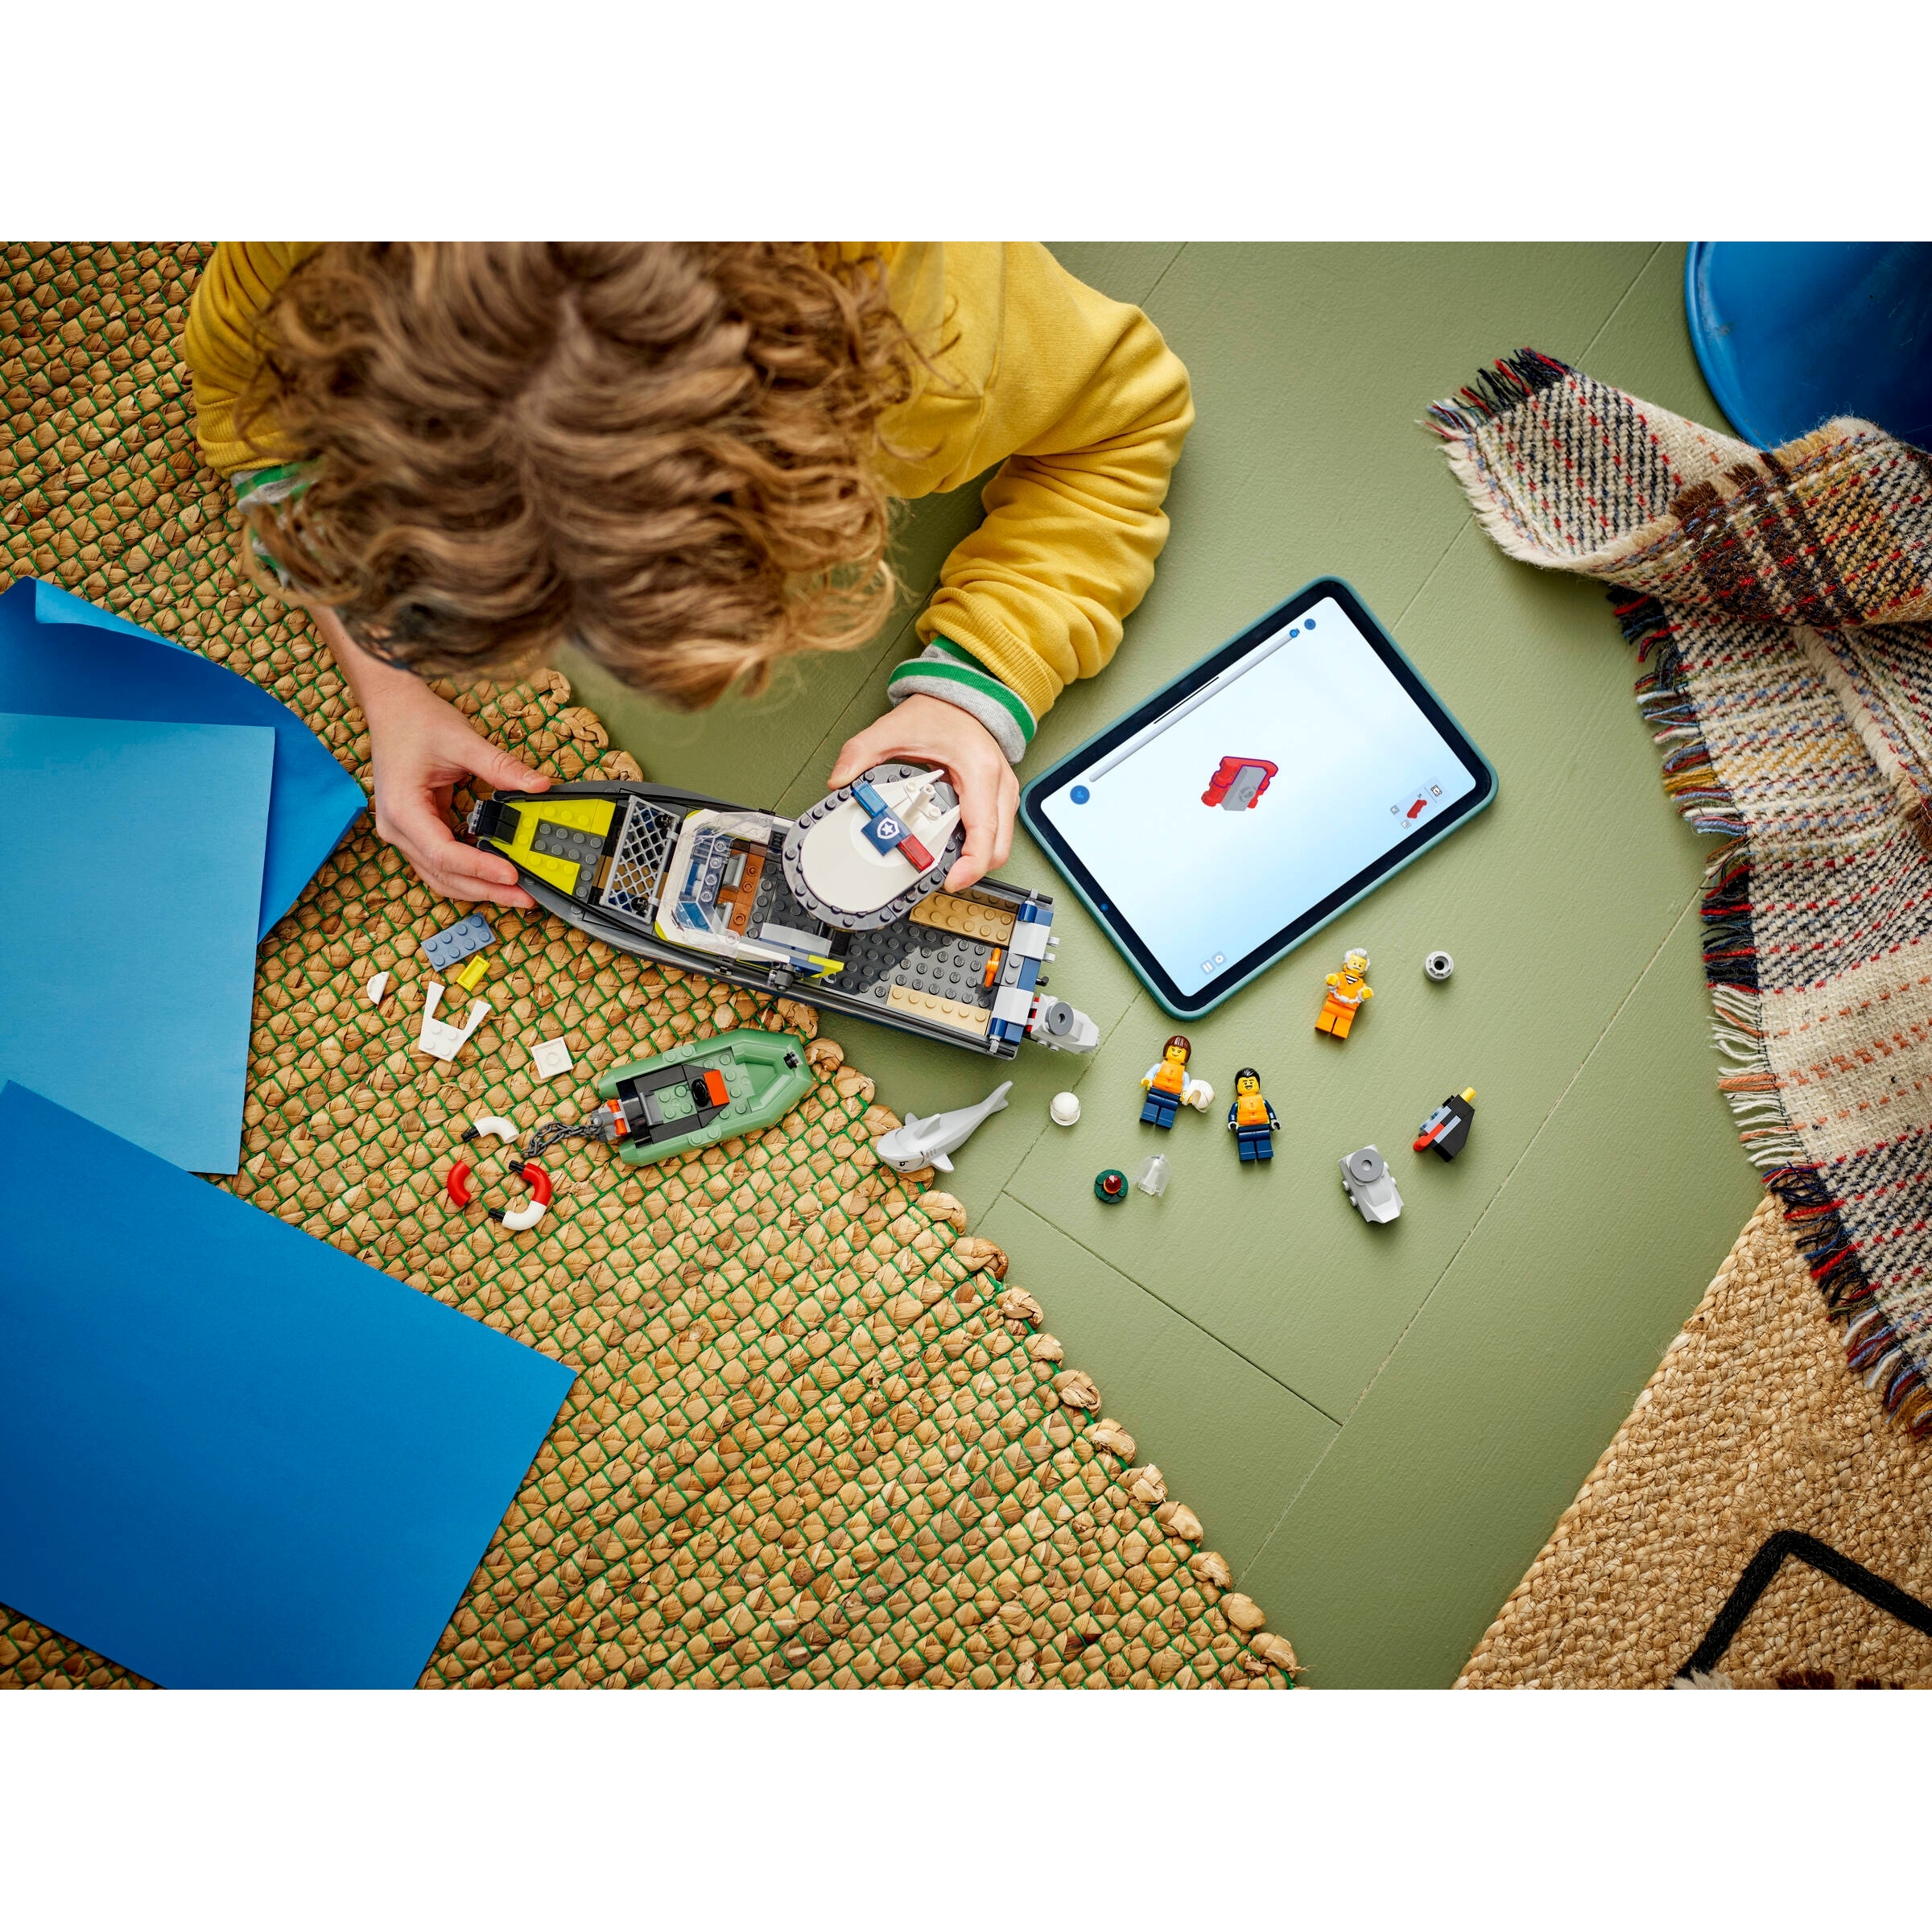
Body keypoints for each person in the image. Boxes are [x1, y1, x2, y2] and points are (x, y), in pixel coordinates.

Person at [184, 243, 1193, 910]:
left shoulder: (936, 349)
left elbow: (1122, 427)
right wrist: (389, 687)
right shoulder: (296, 262)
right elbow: (250, 423)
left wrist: (977, 684)